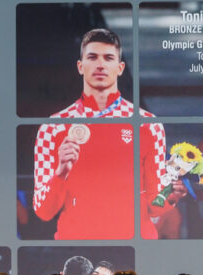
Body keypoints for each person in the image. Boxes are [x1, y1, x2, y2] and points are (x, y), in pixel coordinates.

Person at [31, 29, 175, 240]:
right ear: (80, 66)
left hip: (134, 246)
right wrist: (60, 172)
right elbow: (43, 212)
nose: (100, 65)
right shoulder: (53, 127)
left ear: (120, 68)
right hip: (78, 245)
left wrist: (171, 194)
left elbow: (155, 207)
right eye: (92, 57)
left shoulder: (148, 124)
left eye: (108, 58)